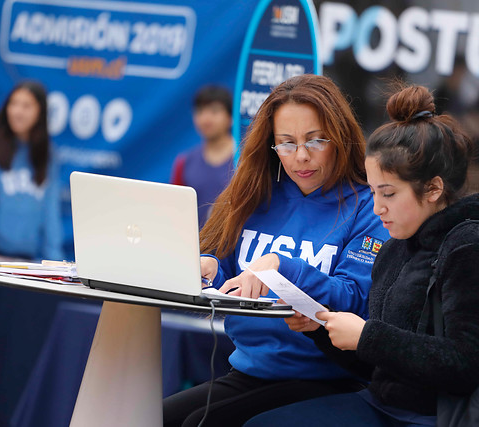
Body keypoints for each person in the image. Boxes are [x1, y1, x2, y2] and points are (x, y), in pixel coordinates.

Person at [244, 82, 479, 426]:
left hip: (453, 416)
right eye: (371, 192)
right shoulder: (396, 248)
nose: (376, 208)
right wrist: (321, 330)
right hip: (387, 406)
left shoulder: (477, 246)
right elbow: (382, 366)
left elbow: (468, 364)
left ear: (433, 189)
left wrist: (367, 336)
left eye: (388, 194)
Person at [162, 74, 389, 427]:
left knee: (200, 423)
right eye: (286, 143)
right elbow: (226, 262)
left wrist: (281, 267)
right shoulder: (258, 191)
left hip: (328, 378)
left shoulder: (367, 206)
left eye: (315, 141)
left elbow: (355, 298)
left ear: (340, 137)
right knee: (154, 417)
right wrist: (210, 265)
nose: (300, 156)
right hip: (250, 369)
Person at [0, 80, 63, 263]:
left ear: (40, 112)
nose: (18, 112)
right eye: (14, 103)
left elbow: (51, 214)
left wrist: (56, 262)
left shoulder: (48, 154)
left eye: (26, 106)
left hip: (24, 260)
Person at [170, 85, 235, 228]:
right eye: (200, 111)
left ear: (231, 117)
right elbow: (174, 210)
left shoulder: (246, 160)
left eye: (214, 111)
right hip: (194, 246)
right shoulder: (184, 162)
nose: (206, 119)